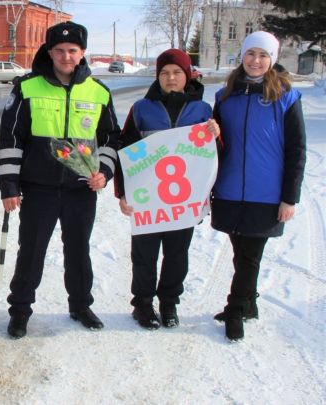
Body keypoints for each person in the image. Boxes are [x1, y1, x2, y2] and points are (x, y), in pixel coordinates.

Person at [0, 21, 121, 339]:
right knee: (32, 252)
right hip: (38, 189)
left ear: (82, 53)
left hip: (81, 189)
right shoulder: (26, 87)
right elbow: (11, 140)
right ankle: (20, 310)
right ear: (50, 52)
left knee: (78, 250)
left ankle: (80, 305)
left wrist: (104, 173)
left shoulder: (98, 92)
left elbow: (110, 140)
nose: (66, 56)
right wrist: (9, 187)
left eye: (72, 51)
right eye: (60, 50)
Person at [211, 31, 306, 341]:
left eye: (263, 55)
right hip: (229, 188)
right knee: (241, 251)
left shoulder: (286, 97)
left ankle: (236, 308)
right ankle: (249, 303)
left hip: (266, 192)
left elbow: (297, 150)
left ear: (272, 60)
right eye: (251, 54)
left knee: (250, 254)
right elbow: (215, 146)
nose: (256, 60)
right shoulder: (225, 97)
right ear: (242, 56)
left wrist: (289, 197)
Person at [114, 49, 218, 330]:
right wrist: (122, 192)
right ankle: (143, 305)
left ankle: (169, 302)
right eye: (164, 73)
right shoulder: (142, 108)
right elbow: (125, 150)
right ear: (158, 76)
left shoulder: (203, 110)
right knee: (143, 255)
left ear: (187, 75)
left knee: (177, 253)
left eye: (177, 72)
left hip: (184, 199)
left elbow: (214, 155)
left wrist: (216, 136)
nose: (171, 78)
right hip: (147, 198)